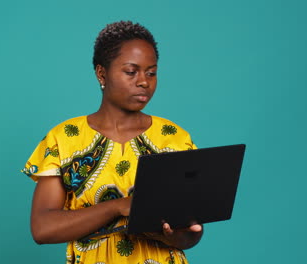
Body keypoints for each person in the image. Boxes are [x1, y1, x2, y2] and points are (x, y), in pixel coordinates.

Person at [22, 21, 203, 264]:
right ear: (101, 73)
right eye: (131, 72)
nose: (144, 82)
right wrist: (118, 207)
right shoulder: (63, 139)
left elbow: (190, 236)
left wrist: (171, 237)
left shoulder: (174, 138)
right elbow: (42, 229)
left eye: (151, 72)